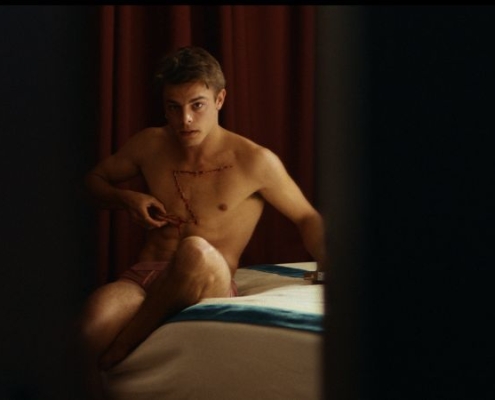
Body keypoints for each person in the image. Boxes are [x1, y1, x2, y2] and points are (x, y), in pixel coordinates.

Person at [76, 45, 326, 399]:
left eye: (197, 105)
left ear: (219, 99)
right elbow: (92, 182)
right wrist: (127, 199)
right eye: (173, 108)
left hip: (209, 277)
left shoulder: (254, 160)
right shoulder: (150, 144)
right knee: (87, 330)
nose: (185, 120)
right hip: (145, 277)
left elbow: (306, 216)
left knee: (195, 251)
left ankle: (122, 348)